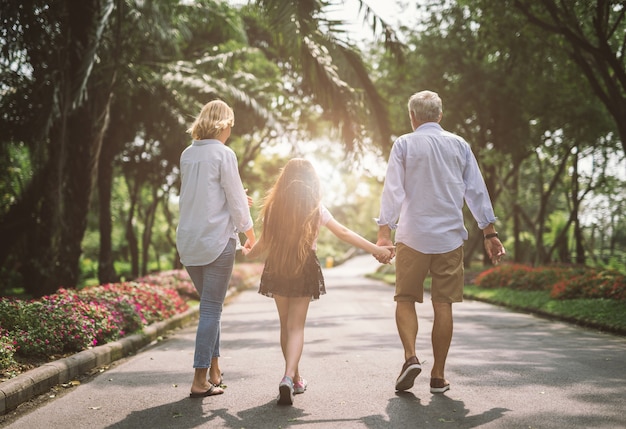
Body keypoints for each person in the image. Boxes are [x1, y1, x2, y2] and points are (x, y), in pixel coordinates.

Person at [375, 90, 505, 394]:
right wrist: (490, 233)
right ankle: (438, 375)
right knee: (443, 304)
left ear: (413, 117)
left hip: (412, 236)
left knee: (405, 299)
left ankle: (410, 358)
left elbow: (392, 190)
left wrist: (384, 233)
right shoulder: (459, 145)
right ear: (440, 116)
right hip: (449, 238)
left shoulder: (405, 143)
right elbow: (476, 191)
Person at [245, 158, 392, 406]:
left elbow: (262, 245)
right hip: (304, 265)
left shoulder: (274, 207)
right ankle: (291, 376)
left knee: (285, 325)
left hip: (278, 265)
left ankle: (292, 377)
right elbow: (344, 233)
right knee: (297, 327)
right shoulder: (315, 207)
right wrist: (375, 250)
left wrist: (248, 251)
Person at [176, 99, 256, 398]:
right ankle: (199, 379)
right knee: (211, 309)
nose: (230, 133)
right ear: (223, 124)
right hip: (216, 240)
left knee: (211, 308)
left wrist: (235, 198)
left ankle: (214, 371)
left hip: (189, 242)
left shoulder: (187, 154)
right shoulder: (224, 153)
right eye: (231, 126)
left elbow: (203, 196)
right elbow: (235, 201)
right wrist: (251, 236)